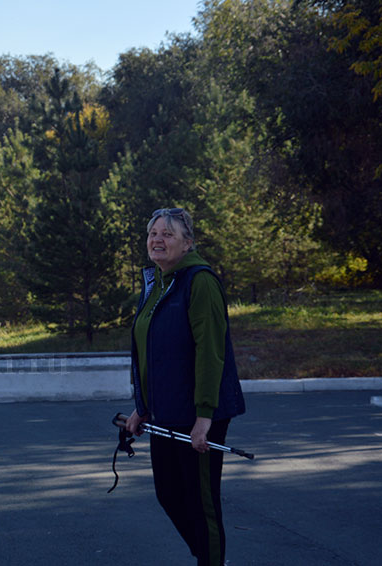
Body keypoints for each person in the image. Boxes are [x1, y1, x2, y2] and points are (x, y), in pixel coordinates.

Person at [125, 208, 245, 566]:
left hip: (197, 414)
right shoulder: (157, 284)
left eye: (168, 234)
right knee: (169, 494)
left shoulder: (199, 281)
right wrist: (141, 405)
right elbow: (152, 354)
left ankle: (211, 561)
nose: (157, 240)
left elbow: (210, 351)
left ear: (188, 243)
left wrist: (204, 416)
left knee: (200, 504)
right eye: (153, 233)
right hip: (165, 411)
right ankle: (210, 557)